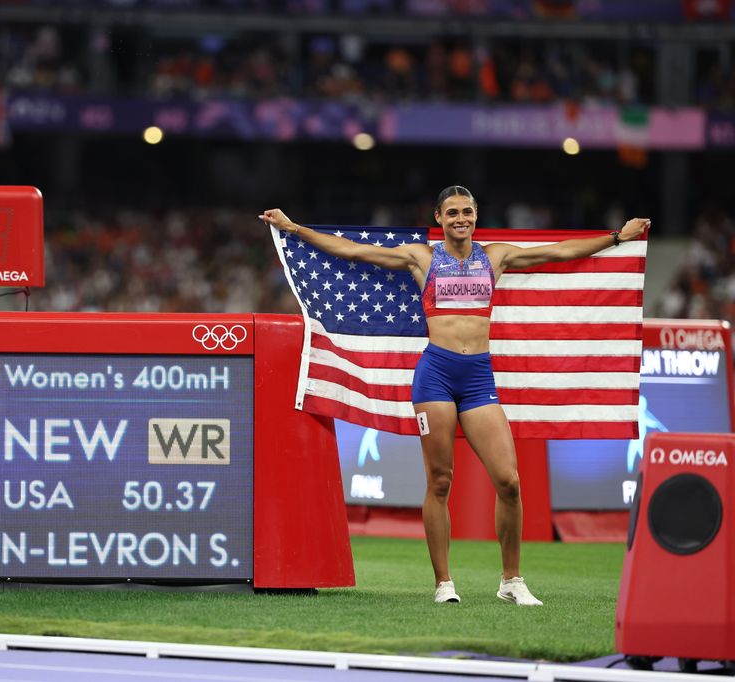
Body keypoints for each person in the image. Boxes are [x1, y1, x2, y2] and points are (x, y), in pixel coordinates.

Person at [259, 186, 650, 606]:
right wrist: (293, 227)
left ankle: (511, 580)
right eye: (452, 213)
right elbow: (352, 251)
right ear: (439, 218)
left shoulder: (495, 257)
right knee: (440, 481)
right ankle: (444, 582)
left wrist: (616, 237)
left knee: (510, 481)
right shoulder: (421, 257)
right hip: (436, 377)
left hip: (479, 377)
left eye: (467, 211)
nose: (460, 218)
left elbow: (558, 252)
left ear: (475, 216)